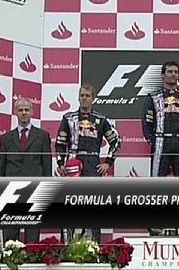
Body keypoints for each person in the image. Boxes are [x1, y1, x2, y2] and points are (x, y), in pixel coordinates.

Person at [56, 84, 121, 243]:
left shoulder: (101, 119)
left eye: (87, 96)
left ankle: (94, 247)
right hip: (73, 161)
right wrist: (61, 164)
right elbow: (60, 143)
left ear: (93, 99)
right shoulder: (68, 118)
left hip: (92, 163)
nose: (84, 98)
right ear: (78, 97)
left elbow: (116, 141)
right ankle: (66, 246)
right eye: (82, 95)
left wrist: (108, 163)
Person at [142, 61, 179, 236]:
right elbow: (146, 123)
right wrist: (154, 140)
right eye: (170, 71)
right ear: (163, 74)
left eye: (175, 72)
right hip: (161, 141)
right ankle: (155, 223)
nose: (173, 74)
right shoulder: (153, 97)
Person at [0, 97, 52, 243]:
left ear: (32, 112)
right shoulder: (6, 138)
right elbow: (1, 165)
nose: (23, 113)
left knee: (32, 233)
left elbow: (47, 164)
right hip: (10, 189)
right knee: (10, 232)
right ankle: (10, 255)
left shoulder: (43, 136)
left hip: (35, 188)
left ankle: (31, 255)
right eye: (20, 110)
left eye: (26, 110)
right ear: (15, 112)